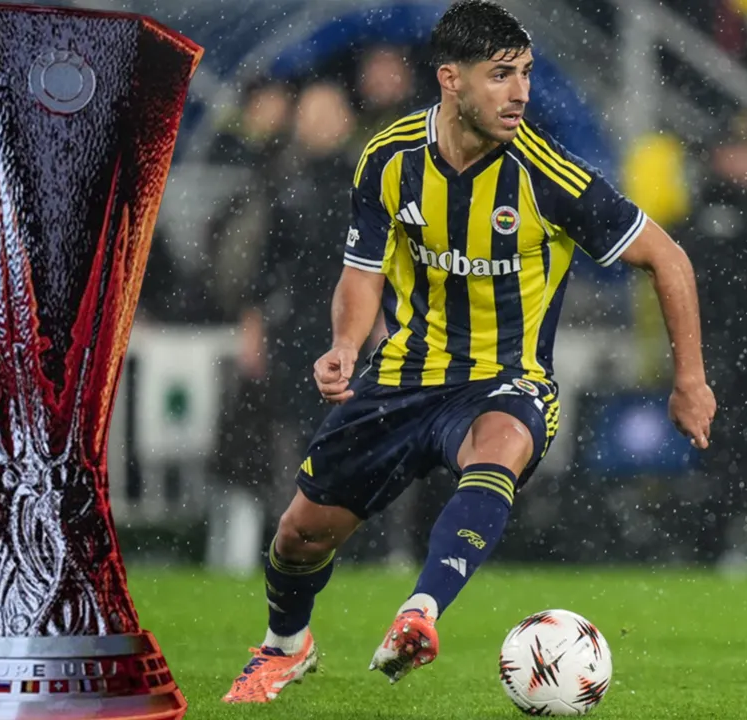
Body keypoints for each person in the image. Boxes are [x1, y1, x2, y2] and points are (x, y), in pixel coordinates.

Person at [222, 0, 715, 704]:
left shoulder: (550, 175)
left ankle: (420, 612)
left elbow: (669, 259)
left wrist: (690, 381)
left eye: (526, 74)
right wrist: (345, 345)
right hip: (405, 375)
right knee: (300, 536)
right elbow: (362, 273)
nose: (521, 93)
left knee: (501, 444)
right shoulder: (389, 158)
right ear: (451, 79)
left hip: (507, 378)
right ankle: (284, 645)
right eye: (501, 75)